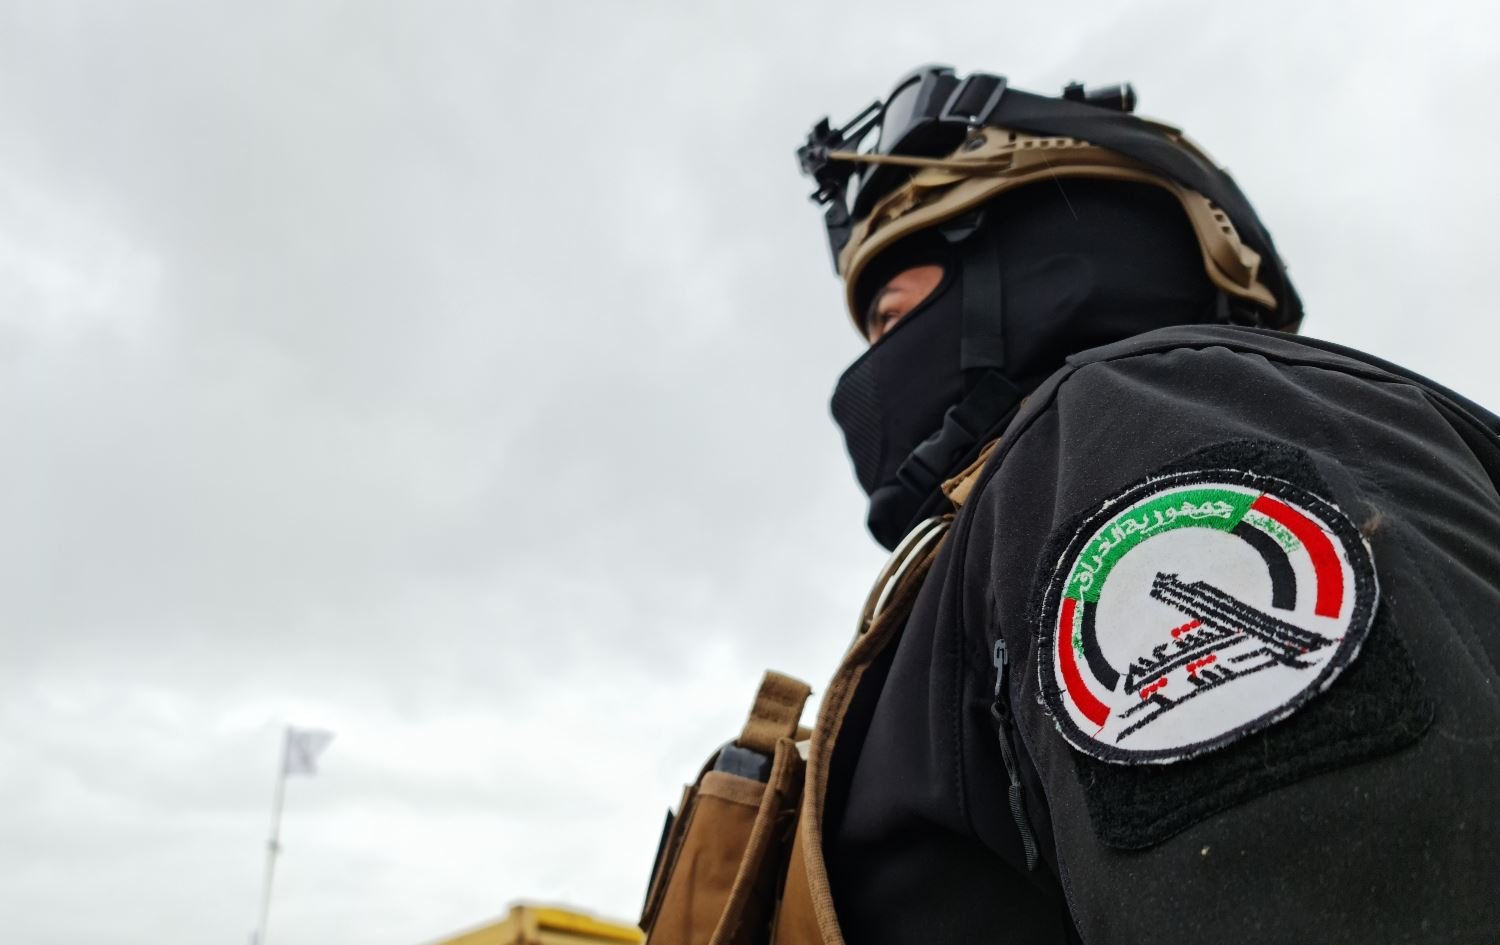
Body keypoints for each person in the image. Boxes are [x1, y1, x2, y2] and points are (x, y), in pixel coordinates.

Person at [640, 66, 1500, 945]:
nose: (871, 375)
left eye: (893, 318)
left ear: (1030, 265)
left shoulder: (1129, 432)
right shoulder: (1003, 548)